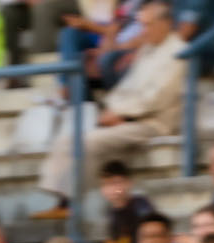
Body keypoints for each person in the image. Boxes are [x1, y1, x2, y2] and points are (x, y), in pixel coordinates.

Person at [38, 0, 183, 206]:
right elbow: (126, 87)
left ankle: (75, 204)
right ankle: (59, 200)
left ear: (165, 23)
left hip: (153, 123)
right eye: (142, 25)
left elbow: (156, 97)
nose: (143, 31)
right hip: (130, 119)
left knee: (88, 143)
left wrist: (121, 114)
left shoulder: (178, 52)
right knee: (67, 140)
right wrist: (111, 110)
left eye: (148, 25)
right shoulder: (148, 50)